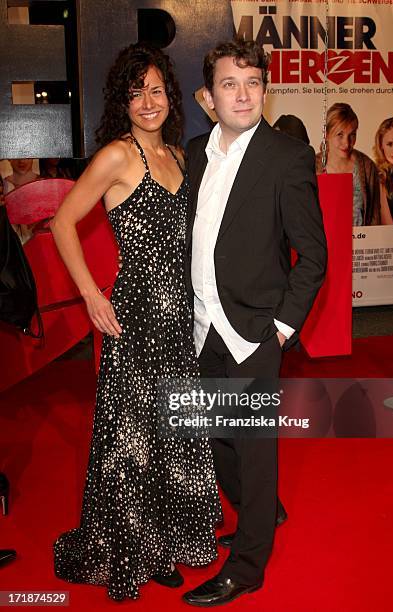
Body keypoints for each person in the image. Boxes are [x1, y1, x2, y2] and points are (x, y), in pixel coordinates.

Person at [51, 43, 221, 601]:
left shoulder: (177, 152)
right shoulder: (118, 157)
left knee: (175, 434)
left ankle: (172, 538)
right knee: (135, 443)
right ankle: (139, 547)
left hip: (180, 320)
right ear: (121, 102)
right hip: (136, 319)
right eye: (134, 92)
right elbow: (62, 222)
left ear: (171, 96)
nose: (147, 102)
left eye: (155, 90)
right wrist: (90, 296)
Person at [182, 39, 327, 607]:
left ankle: (247, 565)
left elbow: (312, 257)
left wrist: (284, 329)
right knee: (214, 439)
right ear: (209, 96)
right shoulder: (195, 152)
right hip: (200, 326)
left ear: (265, 88)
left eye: (252, 83)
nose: (242, 95)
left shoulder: (286, 157)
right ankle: (260, 512)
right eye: (228, 84)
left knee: (253, 446)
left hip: (254, 331)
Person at [316, 102, 381, 226]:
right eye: (340, 135)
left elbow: (374, 217)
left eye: (352, 135)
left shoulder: (368, 167)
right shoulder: (311, 166)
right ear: (326, 134)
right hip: (323, 244)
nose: (346, 143)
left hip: (361, 243)